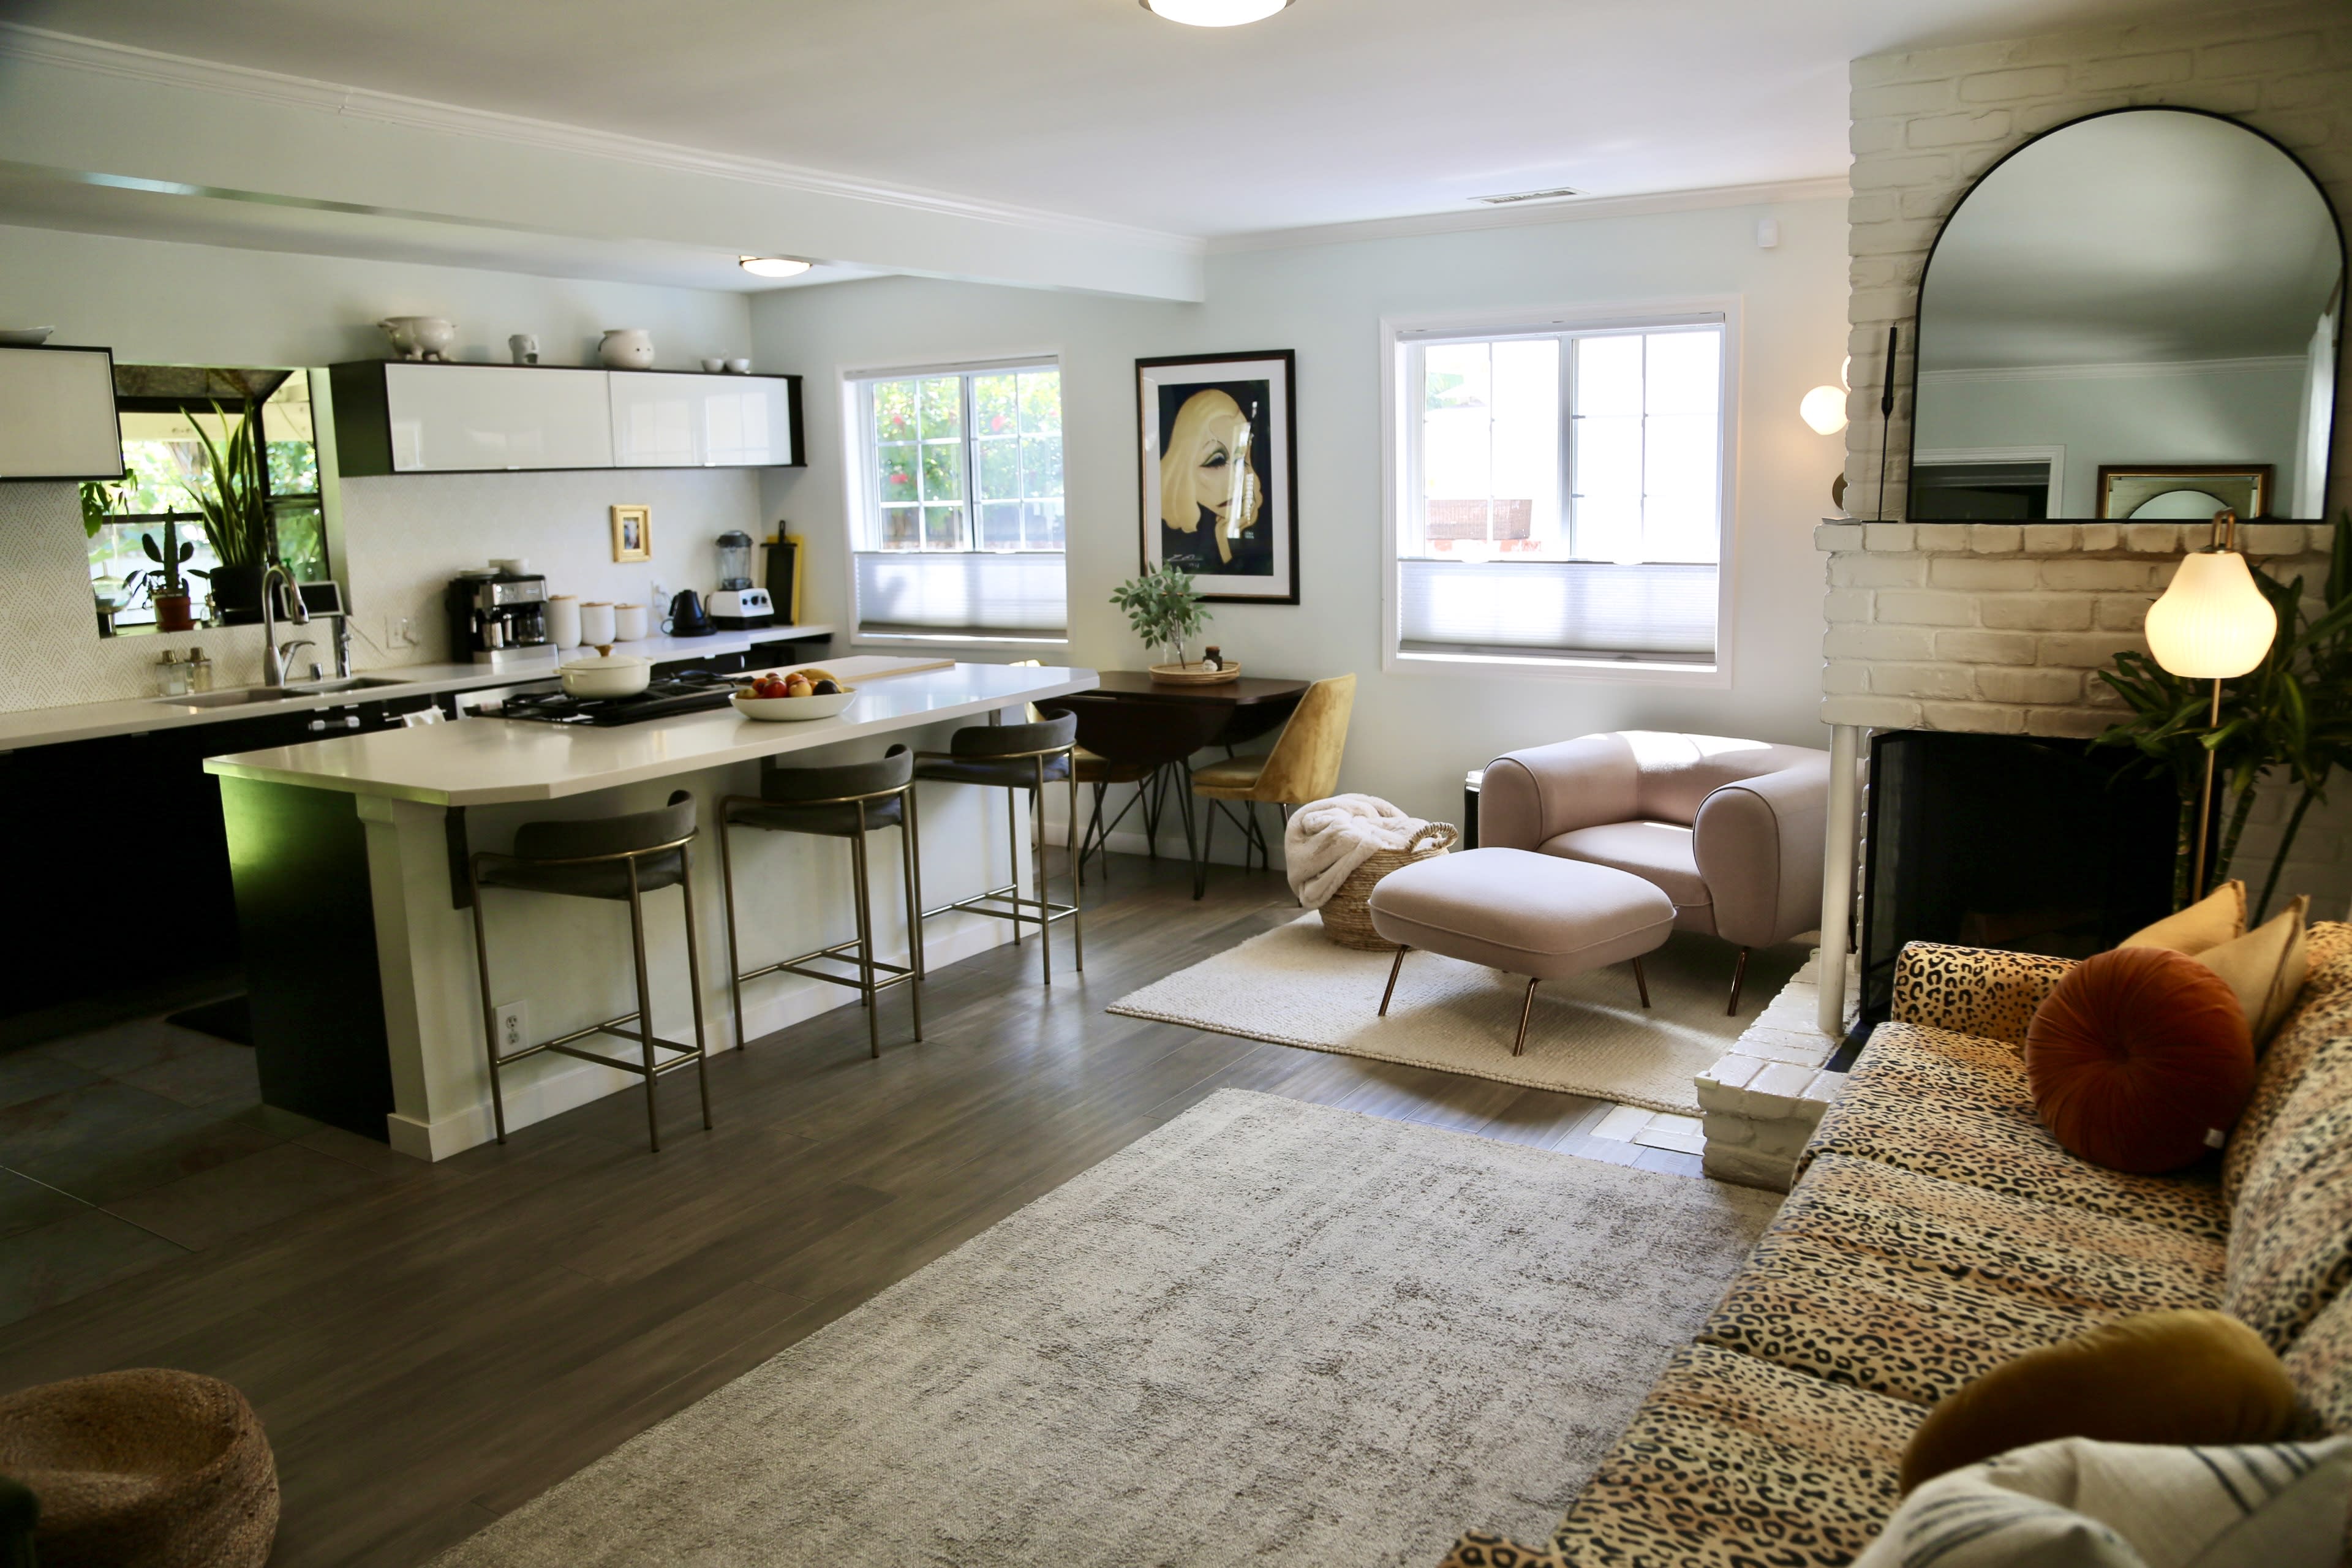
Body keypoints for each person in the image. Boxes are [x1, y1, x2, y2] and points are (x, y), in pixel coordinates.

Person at [1158, 388, 1267, 575]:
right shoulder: (1164, 539)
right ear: (1181, 467)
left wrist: (1226, 545)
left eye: (1241, 459)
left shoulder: (1250, 531)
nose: (1237, 478)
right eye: (1216, 461)